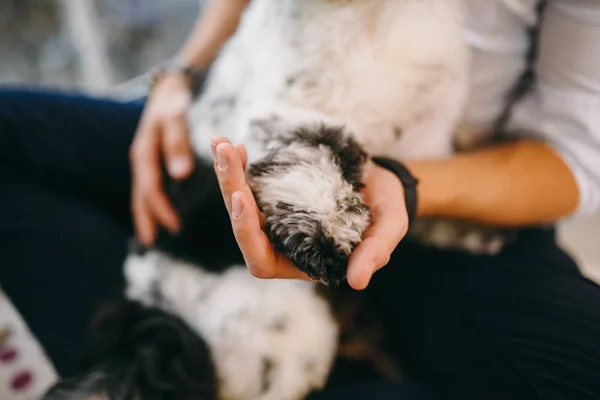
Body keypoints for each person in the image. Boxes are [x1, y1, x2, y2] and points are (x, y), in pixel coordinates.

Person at [1, 0, 600, 398]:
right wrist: (181, 72)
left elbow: (572, 158)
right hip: (239, 116)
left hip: (456, 197)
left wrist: (406, 187)